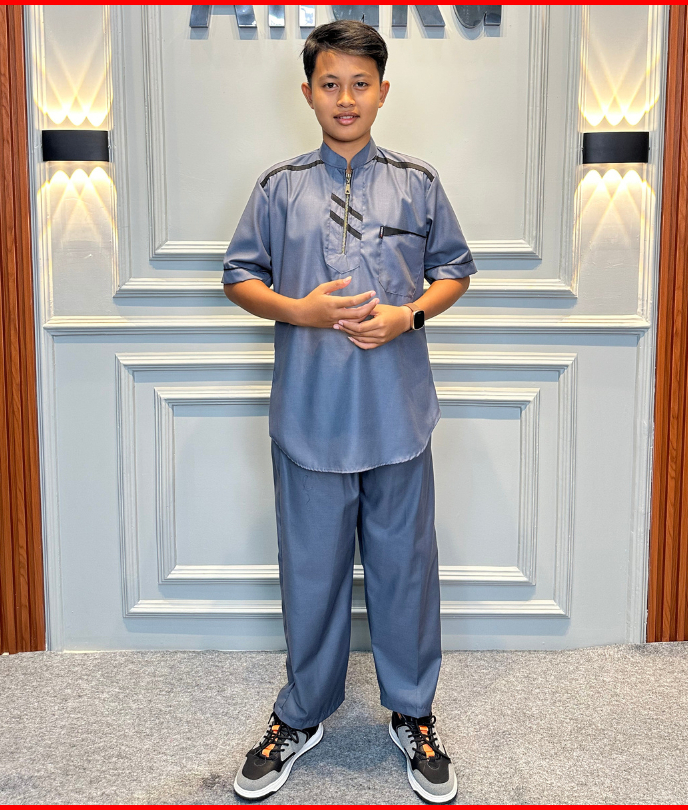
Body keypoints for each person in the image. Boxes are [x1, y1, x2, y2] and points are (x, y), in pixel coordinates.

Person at [222, 18, 476, 804]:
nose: (345, 98)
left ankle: (414, 712)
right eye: (330, 83)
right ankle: (302, 714)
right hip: (309, 418)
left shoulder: (418, 183)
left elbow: (455, 270)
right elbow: (239, 275)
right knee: (311, 576)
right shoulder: (278, 188)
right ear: (308, 92)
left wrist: (409, 316)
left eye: (360, 84)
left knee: (405, 576)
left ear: (383, 91)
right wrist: (299, 311)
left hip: (398, 418)